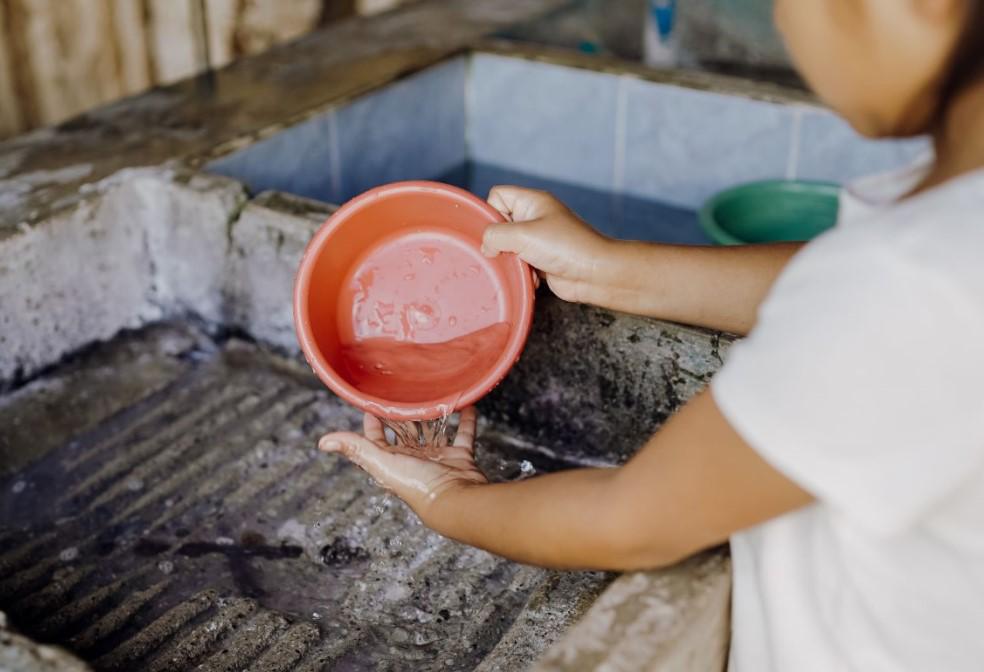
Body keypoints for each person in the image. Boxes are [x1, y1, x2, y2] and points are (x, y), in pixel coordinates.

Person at [319, 1, 984, 668]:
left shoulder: (909, 278)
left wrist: (448, 497)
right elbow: (833, 281)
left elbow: (630, 523)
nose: (784, 22)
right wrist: (614, 270)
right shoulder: (944, 233)